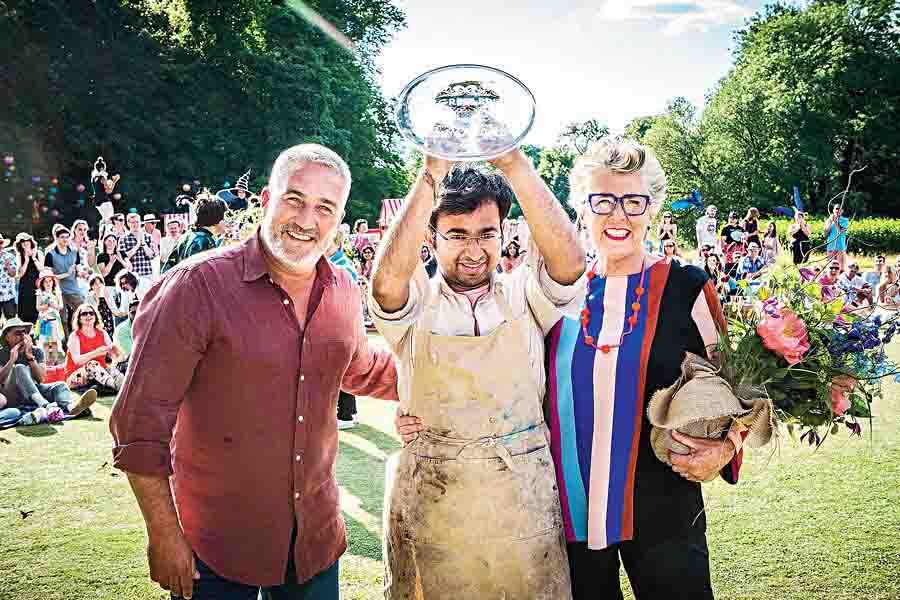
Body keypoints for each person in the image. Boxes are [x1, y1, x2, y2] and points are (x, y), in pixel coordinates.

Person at [109, 143, 399, 600]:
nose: (307, 220)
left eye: (325, 207)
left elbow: (361, 367)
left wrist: (443, 378)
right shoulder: (196, 286)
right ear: (266, 199)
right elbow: (139, 421)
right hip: (214, 550)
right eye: (295, 199)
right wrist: (164, 534)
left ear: (339, 220)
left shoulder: (343, 286)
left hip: (314, 544)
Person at [373, 148, 585, 599]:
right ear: (430, 238)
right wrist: (431, 173)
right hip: (433, 504)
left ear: (503, 233)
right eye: (456, 234)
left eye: (486, 233)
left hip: (521, 502)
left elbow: (569, 264)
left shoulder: (525, 295)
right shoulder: (413, 305)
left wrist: (513, 164)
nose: (473, 249)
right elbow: (386, 283)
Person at [542, 136, 745, 599]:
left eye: (633, 201)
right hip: (570, 513)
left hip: (666, 507)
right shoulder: (555, 294)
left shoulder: (688, 287)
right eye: (602, 201)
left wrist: (726, 446)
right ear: (581, 209)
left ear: (652, 208)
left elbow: (741, 386)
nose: (618, 215)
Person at [0, 318, 98, 428]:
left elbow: (41, 379)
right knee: (19, 368)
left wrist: (30, 357)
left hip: (33, 392)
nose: (22, 337)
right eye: (18, 333)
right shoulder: (2, 353)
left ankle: (71, 407)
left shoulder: (36, 351)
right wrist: (12, 360)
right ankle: (45, 405)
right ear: (7, 337)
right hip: (12, 396)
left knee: (60, 385)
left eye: (25, 332)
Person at [326, 229, 360, 430]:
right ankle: (348, 413)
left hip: (341, 326)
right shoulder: (339, 264)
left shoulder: (342, 267)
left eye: (328, 242)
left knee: (342, 373)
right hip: (341, 326)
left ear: (337, 244)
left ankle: (346, 415)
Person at [64, 303, 125, 393]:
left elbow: (113, 352)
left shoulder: (102, 333)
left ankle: (122, 384)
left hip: (101, 373)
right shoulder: (75, 336)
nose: (88, 315)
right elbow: (77, 360)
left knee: (113, 368)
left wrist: (118, 357)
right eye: (84, 313)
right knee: (92, 364)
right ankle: (115, 386)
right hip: (76, 377)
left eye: (91, 313)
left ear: (95, 316)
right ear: (79, 318)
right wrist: (96, 352)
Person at [161, 192, 226, 274]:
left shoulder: (188, 235)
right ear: (217, 219)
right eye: (225, 217)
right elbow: (202, 277)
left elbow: (167, 269)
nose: (227, 221)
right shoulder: (203, 242)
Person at [43, 226, 83, 337]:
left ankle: (80, 337)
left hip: (73, 289)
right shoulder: (50, 254)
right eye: (62, 237)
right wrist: (66, 274)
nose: (65, 239)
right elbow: (48, 276)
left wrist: (81, 272)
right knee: (62, 319)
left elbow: (78, 267)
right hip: (58, 291)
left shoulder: (75, 251)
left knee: (82, 313)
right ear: (56, 238)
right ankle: (65, 343)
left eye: (67, 237)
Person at [119, 212, 158, 296]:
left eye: (137, 222)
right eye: (132, 222)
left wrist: (143, 243)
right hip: (132, 276)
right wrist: (137, 245)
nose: (135, 224)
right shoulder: (123, 239)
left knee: (148, 298)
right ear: (128, 223)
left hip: (147, 273)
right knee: (134, 300)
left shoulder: (148, 237)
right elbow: (125, 257)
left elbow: (151, 255)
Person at [35, 269, 65, 360]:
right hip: (44, 320)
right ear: (42, 283)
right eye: (46, 282)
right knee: (45, 342)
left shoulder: (57, 292)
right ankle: (46, 360)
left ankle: (55, 360)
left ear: (53, 282)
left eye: (50, 281)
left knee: (55, 341)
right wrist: (46, 305)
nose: (48, 283)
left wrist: (54, 305)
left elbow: (61, 306)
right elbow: (38, 307)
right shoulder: (40, 293)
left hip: (54, 320)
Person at [14, 233, 41, 324]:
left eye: (27, 242)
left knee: (37, 309)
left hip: (37, 285)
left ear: (31, 242)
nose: (25, 244)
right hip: (25, 286)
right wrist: (26, 260)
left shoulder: (38, 253)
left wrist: (33, 258)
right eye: (22, 242)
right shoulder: (19, 255)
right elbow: (20, 274)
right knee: (25, 310)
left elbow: (42, 269)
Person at [112, 299, 139, 375]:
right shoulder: (122, 329)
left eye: (139, 311)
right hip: (123, 365)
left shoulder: (146, 324)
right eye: (133, 312)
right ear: (128, 314)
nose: (137, 315)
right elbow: (132, 354)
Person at [824, 205, 850, 270]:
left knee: (840, 267)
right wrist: (830, 221)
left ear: (842, 211)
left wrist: (835, 221)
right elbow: (825, 234)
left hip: (840, 247)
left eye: (839, 209)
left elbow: (840, 231)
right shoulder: (829, 220)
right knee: (830, 267)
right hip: (830, 246)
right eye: (836, 208)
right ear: (833, 210)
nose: (837, 210)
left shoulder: (845, 220)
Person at [0, 233, 19, 321]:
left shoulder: (9, 256)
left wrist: (8, 266)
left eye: (0, 243)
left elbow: (14, 274)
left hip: (8, 295)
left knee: (11, 321)